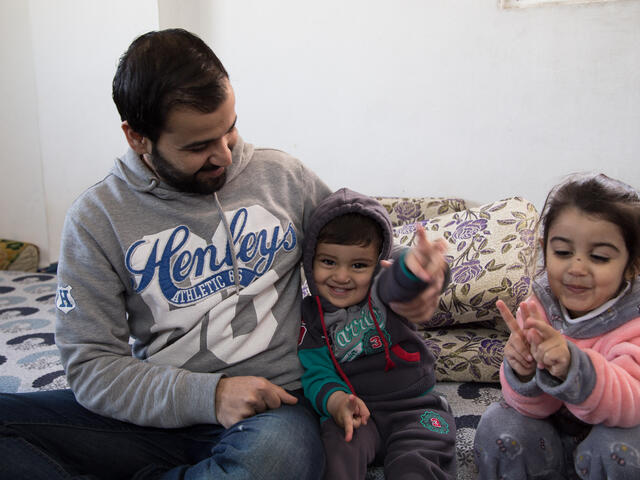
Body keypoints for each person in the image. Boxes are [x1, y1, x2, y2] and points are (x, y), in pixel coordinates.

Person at [0, 29, 444, 479]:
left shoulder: (282, 177)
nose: (225, 155)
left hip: (272, 413)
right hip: (155, 412)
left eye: (229, 128)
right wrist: (210, 396)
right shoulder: (95, 220)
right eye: (197, 147)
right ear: (137, 137)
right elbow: (92, 368)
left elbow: (356, 248)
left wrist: (417, 276)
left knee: (281, 461)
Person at [474, 173, 640, 480]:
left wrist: (573, 367)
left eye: (600, 257)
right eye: (562, 252)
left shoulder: (634, 321)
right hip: (551, 440)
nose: (576, 268)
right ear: (543, 249)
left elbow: (632, 405)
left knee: (620, 445)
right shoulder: (538, 307)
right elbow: (530, 407)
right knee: (501, 423)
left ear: (632, 264)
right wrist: (523, 372)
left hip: (615, 439)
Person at [298, 187, 457, 479]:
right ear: (310, 261)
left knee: (418, 461)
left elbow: (398, 282)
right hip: (357, 414)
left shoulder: (380, 288)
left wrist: (414, 267)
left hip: (413, 407)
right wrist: (337, 402)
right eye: (328, 262)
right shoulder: (310, 316)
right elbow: (316, 372)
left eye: (358, 265)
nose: (342, 277)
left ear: (376, 264)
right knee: (335, 451)